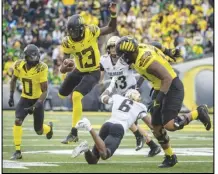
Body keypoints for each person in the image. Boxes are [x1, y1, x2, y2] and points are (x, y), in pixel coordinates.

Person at [115, 36, 211, 168]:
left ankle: (198, 112)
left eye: (123, 55)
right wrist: (168, 51)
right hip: (160, 87)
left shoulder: (146, 60)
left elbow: (166, 78)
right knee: (156, 127)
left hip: (171, 87)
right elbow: (155, 44)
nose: (122, 58)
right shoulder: (139, 50)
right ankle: (170, 156)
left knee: (170, 125)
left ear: (130, 52)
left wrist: (158, 100)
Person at [59, 2, 117, 144]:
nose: (72, 34)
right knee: (61, 93)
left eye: (74, 31)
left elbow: (111, 28)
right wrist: (65, 66)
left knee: (76, 96)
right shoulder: (67, 42)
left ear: (81, 28)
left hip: (93, 71)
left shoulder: (90, 31)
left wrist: (113, 14)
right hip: (79, 70)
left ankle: (74, 132)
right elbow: (64, 63)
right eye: (70, 31)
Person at [100, 35, 160, 154]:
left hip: (131, 90)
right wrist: (101, 83)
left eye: (115, 47)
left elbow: (142, 71)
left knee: (127, 118)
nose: (113, 49)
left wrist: (137, 86)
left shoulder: (127, 59)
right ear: (108, 48)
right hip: (120, 93)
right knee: (129, 121)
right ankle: (152, 144)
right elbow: (103, 74)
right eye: (111, 47)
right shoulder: (104, 60)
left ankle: (150, 134)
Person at [72, 89, 159, 163]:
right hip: (118, 128)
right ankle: (89, 127)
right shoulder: (140, 106)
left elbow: (103, 98)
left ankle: (86, 149)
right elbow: (151, 125)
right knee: (105, 155)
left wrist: (109, 88)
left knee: (93, 160)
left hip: (107, 125)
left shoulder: (118, 97)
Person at [8, 44, 53, 160]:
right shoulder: (19, 65)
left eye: (36, 56)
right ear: (26, 57)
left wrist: (37, 105)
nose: (35, 59)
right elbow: (13, 80)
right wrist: (11, 95)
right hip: (25, 98)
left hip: (38, 99)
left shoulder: (42, 68)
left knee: (39, 130)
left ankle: (49, 128)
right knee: (17, 121)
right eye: (32, 57)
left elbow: (45, 91)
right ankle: (17, 151)